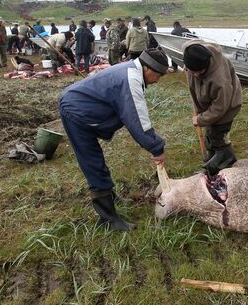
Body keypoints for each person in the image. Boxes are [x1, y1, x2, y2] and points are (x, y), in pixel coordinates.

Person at [59, 48, 169, 231]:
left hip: (79, 105)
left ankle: (109, 196)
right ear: (148, 68)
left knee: (96, 159)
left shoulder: (131, 71)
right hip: (76, 112)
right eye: (158, 75)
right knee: (93, 162)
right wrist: (156, 147)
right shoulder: (131, 79)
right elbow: (138, 121)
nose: (157, 80)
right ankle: (108, 218)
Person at [182, 40, 242, 175]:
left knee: (218, 135)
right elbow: (187, 47)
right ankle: (213, 159)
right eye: (193, 71)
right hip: (209, 103)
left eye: (199, 72)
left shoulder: (220, 80)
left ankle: (226, 163)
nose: (196, 75)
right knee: (211, 133)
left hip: (227, 105)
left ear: (206, 66)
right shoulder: (191, 51)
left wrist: (200, 119)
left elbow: (220, 108)